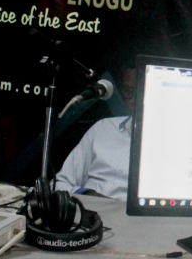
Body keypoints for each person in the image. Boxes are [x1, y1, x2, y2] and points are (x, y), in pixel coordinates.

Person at [54, 68, 136, 200]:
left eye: (142, 90)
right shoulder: (103, 127)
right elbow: (60, 184)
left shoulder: (174, 141)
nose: (134, 99)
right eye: (129, 91)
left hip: (130, 219)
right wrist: (87, 194)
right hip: (86, 213)